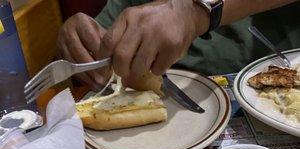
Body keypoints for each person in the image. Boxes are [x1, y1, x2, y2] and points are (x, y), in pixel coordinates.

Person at [57, 0, 300, 91]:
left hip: (273, 99)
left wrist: (198, 10)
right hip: (165, 128)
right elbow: (102, 44)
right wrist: (81, 42)